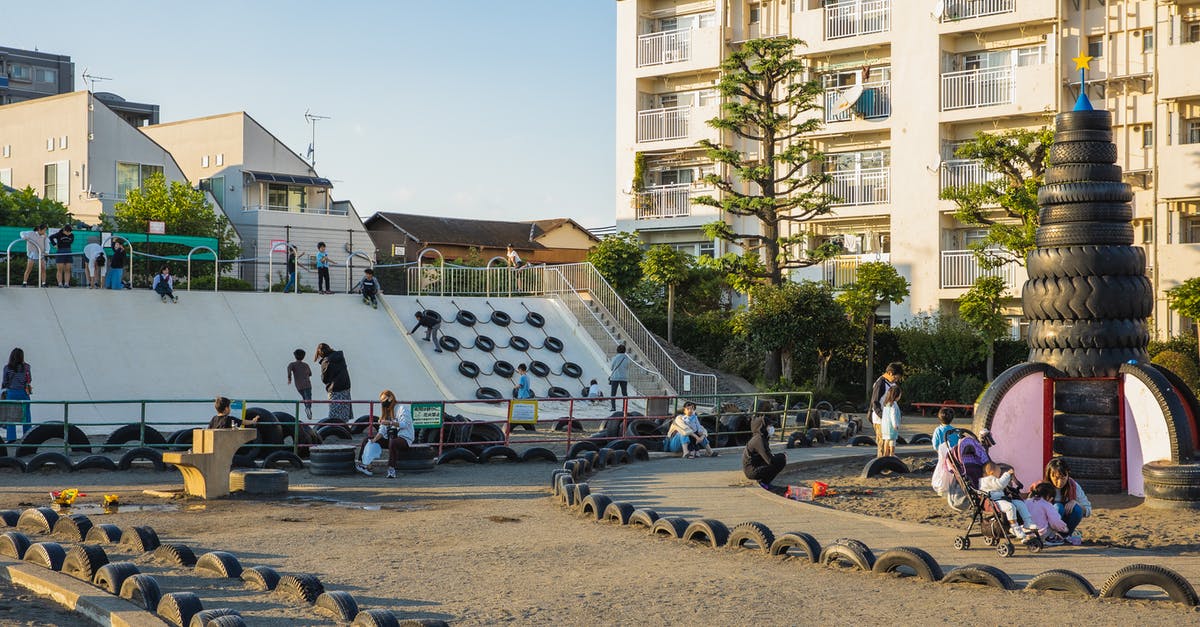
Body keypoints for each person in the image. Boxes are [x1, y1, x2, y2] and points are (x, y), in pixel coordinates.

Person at [980, 461, 1036, 542]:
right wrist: (1007, 475)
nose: (999, 476)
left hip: (1002, 500)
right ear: (992, 473)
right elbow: (999, 484)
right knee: (1010, 507)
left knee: (1020, 503)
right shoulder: (986, 480)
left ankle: (1028, 522)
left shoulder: (993, 479)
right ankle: (1015, 527)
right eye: (998, 474)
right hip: (993, 502)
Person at [1043, 457, 1091, 544]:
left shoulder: (1073, 486)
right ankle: (1050, 536)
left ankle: (1064, 536)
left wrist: (1075, 502)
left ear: (1068, 475)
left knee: (1077, 509)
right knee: (1058, 507)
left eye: (1063, 478)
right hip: (1046, 525)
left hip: (1065, 524)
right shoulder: (1042, 487)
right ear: (1049, 475)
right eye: (1056, 478)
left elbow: (1088, 510)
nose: (1060, 482)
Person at [869, 362, 904, 454]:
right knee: (883, 443)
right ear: (890, 373)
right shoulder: (880, 383)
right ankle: (882, 464)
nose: (896, 380)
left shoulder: (891, 383)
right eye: (895, 377)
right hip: (880, 419)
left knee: (890, 443)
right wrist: (883, 416)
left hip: (888, 419)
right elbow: (875, 402)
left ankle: (889, 463)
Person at [743, 414, 785, 490]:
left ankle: (764, 482)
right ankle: (764, 483)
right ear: (762, 427)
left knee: (779, 458)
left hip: (753, 467)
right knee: (781, 461)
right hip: (752, 471)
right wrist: (782, 456)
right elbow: (769, 460)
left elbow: (766, 455)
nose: (772, 428)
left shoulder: (760, 437)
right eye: (769, 426)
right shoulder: (759, 440)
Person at [315, 343, 352, 426]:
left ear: (321, 353)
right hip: (346, 385)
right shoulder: (340, 356)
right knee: (344, 408)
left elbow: (324, 378)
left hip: (334, 388)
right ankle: (344, 426)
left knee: (334, 410)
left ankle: (334, 428)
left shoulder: (326, 361)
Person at [2, 348, 33, 441]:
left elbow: (4, 382)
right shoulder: (27, 367)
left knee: (10, 417)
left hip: (11, 393)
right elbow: (29, 380)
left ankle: (11, 438)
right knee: (26, 416)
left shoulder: (7, 368)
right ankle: (27, 438)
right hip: (23, 393)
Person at [1026, 481, 1070, 546]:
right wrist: (1064, 528)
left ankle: (1028, 538)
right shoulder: (1047, 505)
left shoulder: (1027, 502)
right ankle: (1049, 538)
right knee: (1051, 524)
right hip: (1041, 533)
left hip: (1025, 531)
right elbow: (1055, 521)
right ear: (1049, 496)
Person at [287, 349, 314, 421]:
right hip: (307, 384)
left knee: (305, 397)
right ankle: (308, 408)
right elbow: (310, 374)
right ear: (303, 357)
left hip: (299, 386)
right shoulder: (306, 365)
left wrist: (289, 378)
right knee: (308, 397)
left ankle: (307, 408)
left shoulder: (292, 364)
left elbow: (289, 369)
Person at [879, 385, 901, 458]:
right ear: (896, 395)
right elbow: (893, 415)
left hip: (885, 426)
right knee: (892, 440)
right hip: (891, 426)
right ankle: (891, 454)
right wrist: (895, 425)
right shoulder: (893, 404)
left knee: (886, 440)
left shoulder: (886, 404)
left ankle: (885, 454)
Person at [608, 345, 630, 411]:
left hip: (615, 377)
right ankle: (624, 408)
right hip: (624, 377)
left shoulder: (615, 358)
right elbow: (627, 367)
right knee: (624, 393)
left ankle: (613, 407)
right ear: (624, 350)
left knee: (613, 393)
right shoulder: (626, 358)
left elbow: (611, 367)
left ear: (617, 350)